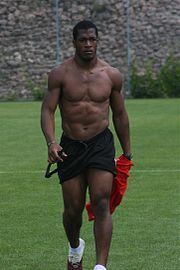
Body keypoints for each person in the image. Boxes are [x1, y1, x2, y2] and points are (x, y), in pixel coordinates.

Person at [41, 20, 132, 270]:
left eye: (92, 39)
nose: (88, 44)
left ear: (97, 41)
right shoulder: (60, 74)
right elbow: (47, 110)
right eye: (83, 40)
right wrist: (51, 142)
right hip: (70, 146)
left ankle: (100, 266)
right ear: (74, 42)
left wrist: (127, 150)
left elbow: (120, 114)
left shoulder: (111, 75)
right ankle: (74, 247)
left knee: (102, 201)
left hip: (101, 143)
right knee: (73, 210)